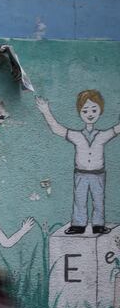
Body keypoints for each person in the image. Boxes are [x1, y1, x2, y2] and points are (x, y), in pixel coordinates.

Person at [36, 91, 120, 234]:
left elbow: (116, 129)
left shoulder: (101, 136)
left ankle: (98, 225)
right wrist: (46, 111)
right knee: (79, 200)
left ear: (100, 111)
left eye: (94, 109)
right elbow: (57, 129)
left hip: (98, 174)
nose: (90, 113)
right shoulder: (77, 135)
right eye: (85, 110)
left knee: (98, 200)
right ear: (80, 112)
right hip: (81, 173)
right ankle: (78, 225)